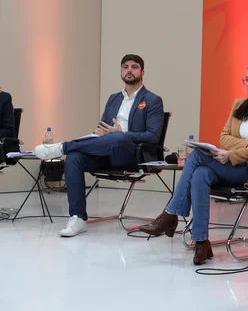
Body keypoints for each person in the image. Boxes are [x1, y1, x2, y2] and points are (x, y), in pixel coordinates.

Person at [138, 61, 248, 264]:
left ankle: (171, 214)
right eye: (247, 79)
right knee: (200, 174)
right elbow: (223, 138)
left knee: (198, 157)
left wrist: (232, 154)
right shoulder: (239, 105)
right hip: (229, 165)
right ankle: (201, 243)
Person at [34, 54, 164, 237]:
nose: (129, 70)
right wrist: (99, 133)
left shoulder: (152, 100)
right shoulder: (113, 98)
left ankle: (64, 146)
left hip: (132, 155)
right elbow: (102, 128)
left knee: (118, 137)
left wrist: (122, 134)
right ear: (121, 71)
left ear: (142, 71)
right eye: (125, 66)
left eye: (134, 67)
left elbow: (153, 136)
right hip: (106, 152)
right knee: (74, 158)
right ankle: (78, 218)